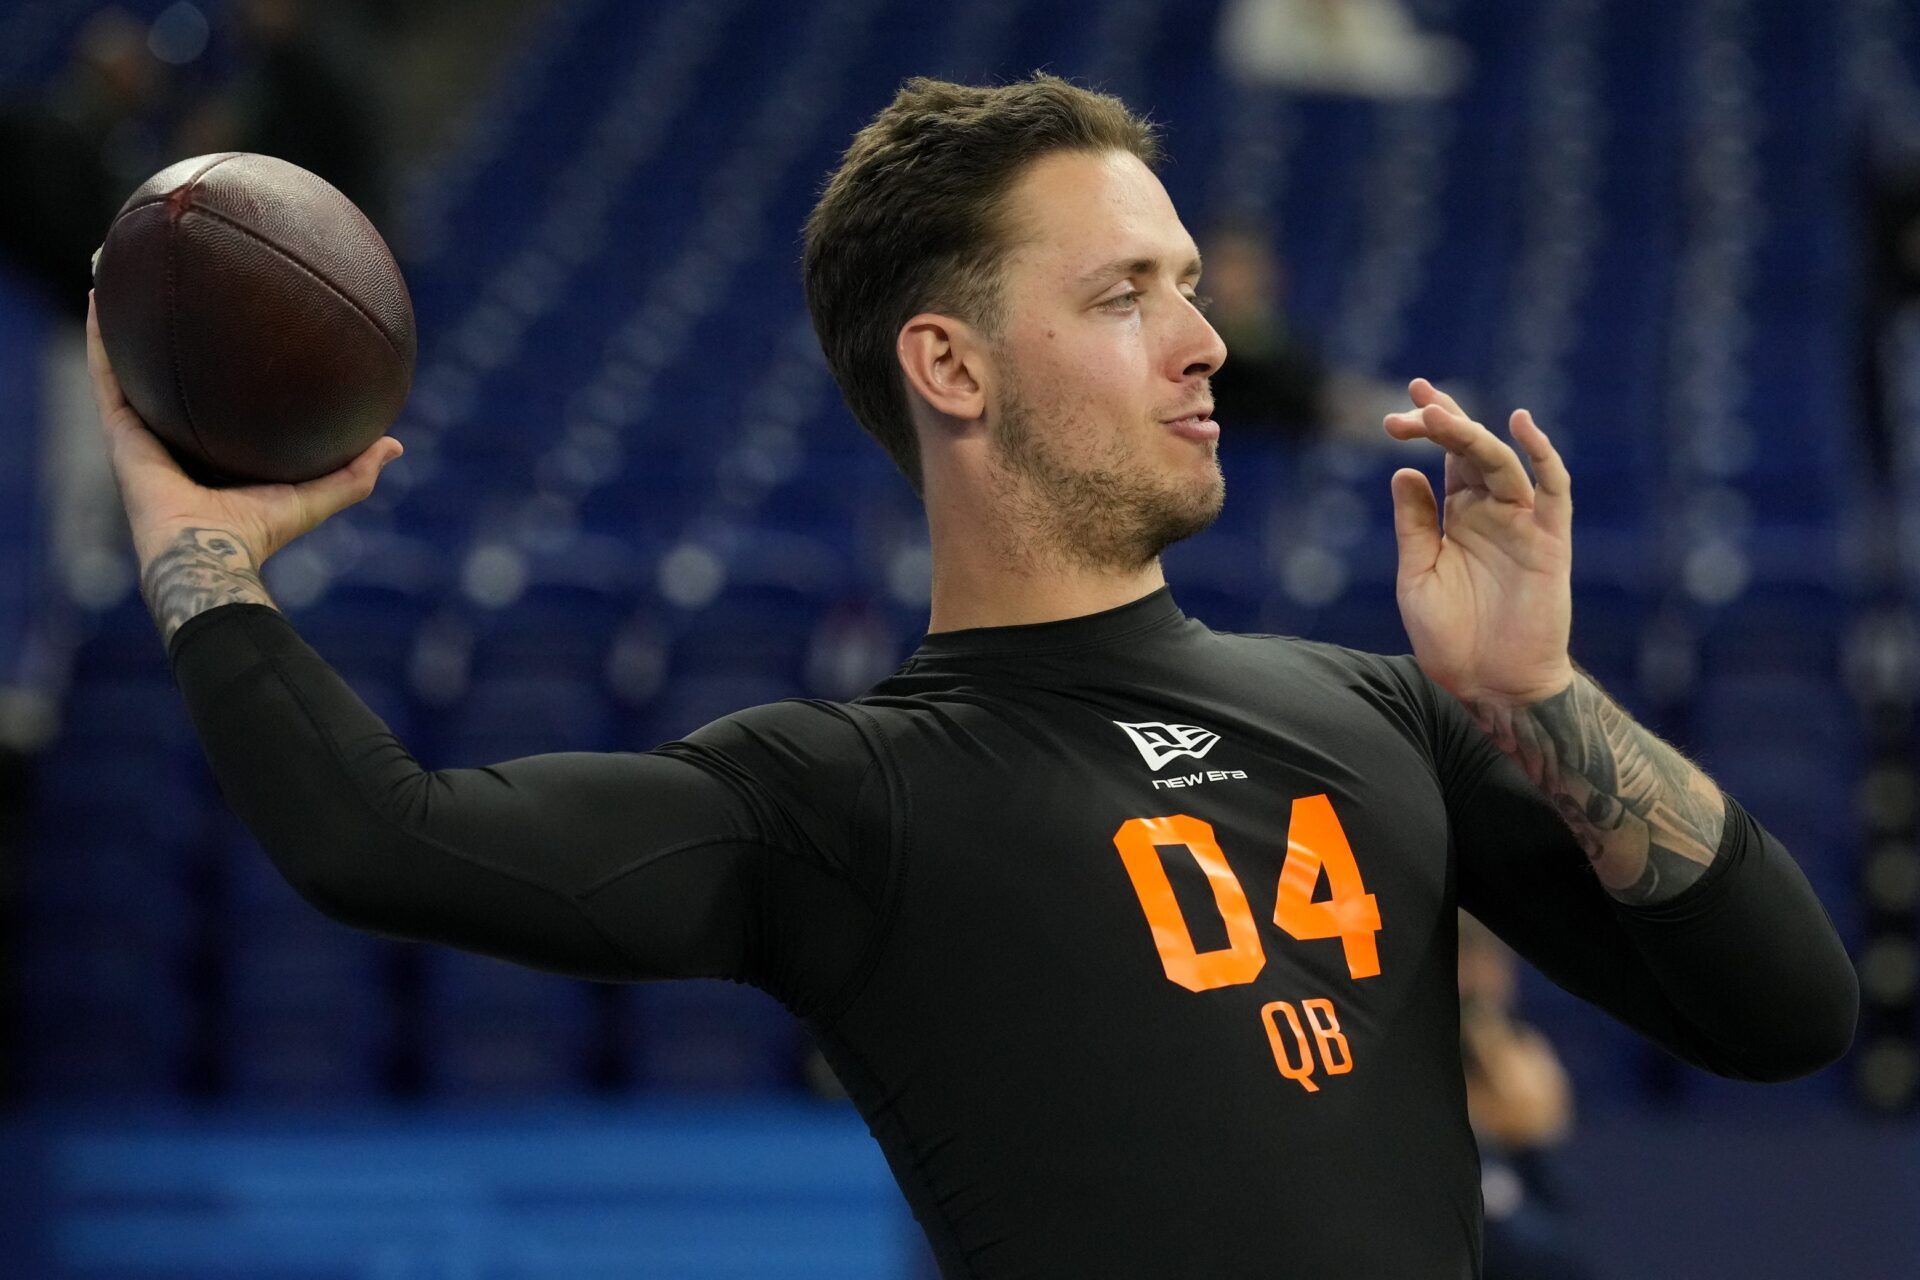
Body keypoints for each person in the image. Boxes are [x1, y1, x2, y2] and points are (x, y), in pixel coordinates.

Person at [89, 74, 1856, 1278]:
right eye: (1126, 295)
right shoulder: (839, 794)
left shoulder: (1385, 710)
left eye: (1189, 285)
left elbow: (1786, 1012)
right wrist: (203, 562)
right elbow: (378, 835)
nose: (1205, 338)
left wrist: (1537, 692)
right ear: (950, 361)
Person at [1458, 912, 1598, 1280]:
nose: (1494, 978)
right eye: (1475, 959)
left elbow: (1539, 1121)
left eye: (1498, 961)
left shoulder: (1517, 1048)